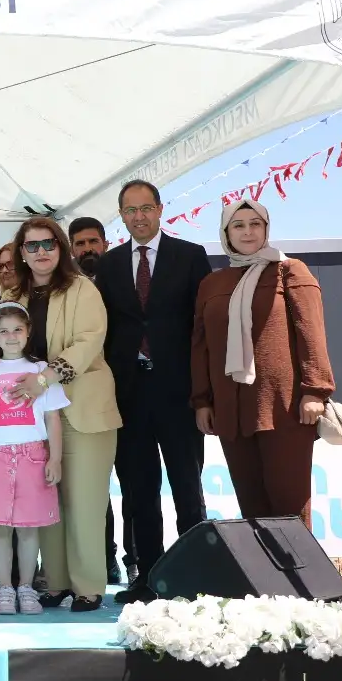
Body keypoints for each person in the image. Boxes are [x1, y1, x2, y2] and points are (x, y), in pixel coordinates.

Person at [0, 216, 119, 611]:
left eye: (48, 243)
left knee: (84, 502)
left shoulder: (82, 289)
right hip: (29, 421)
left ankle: (88, 586)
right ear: (21, 252)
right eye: (32, 245)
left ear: (61, 248)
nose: (41, 252)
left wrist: (45, 378)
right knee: (45, 501)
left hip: (83, 410)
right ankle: (56, 583)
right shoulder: (13, 293)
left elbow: (89, 342)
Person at [97, 181, 214, 603]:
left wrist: (205, 395)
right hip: (128, 395)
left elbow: (204, 328)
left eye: (146, 208)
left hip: (179, 393)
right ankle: (148, 577)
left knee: (187, 488)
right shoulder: (109, 265)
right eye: (130, 210)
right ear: (121, 216)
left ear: (161, 209)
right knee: (138, 492)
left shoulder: (190, 256)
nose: (139, 217)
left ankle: (195, 577)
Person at [192, 198, 334, 527]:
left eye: (255, 224)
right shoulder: (212, 284)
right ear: (226, 233)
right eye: (238, 225)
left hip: (284, 408)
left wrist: (315, 391)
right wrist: (202, 401)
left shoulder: (290, 270)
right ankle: (261, 565)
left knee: (289, 508)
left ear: (266, 229)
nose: (248, 232)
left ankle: (297, 564)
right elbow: (200, 346)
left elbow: (311, 332)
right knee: (251, 509)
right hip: (231, 411)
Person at [0, 302, 66, 615]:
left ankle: (26, 586)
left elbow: (52, 418)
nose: (11, 336)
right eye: (4, 331)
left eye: (17, 330)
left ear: (28, 332)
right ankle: (4, 588)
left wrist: (55, 459)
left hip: (32, 456)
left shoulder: (41, 371)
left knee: (27, 527)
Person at [67, 215, 130, 587]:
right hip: (82, 400)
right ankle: (103, 560)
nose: (88, 249)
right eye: (80, 244)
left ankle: (135, 560)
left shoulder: (122, 279)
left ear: (105, 244)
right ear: (71, 249)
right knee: (92, 488)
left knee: (133, 482)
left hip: (129, 392)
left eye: (93, 242)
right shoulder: (66, 288)